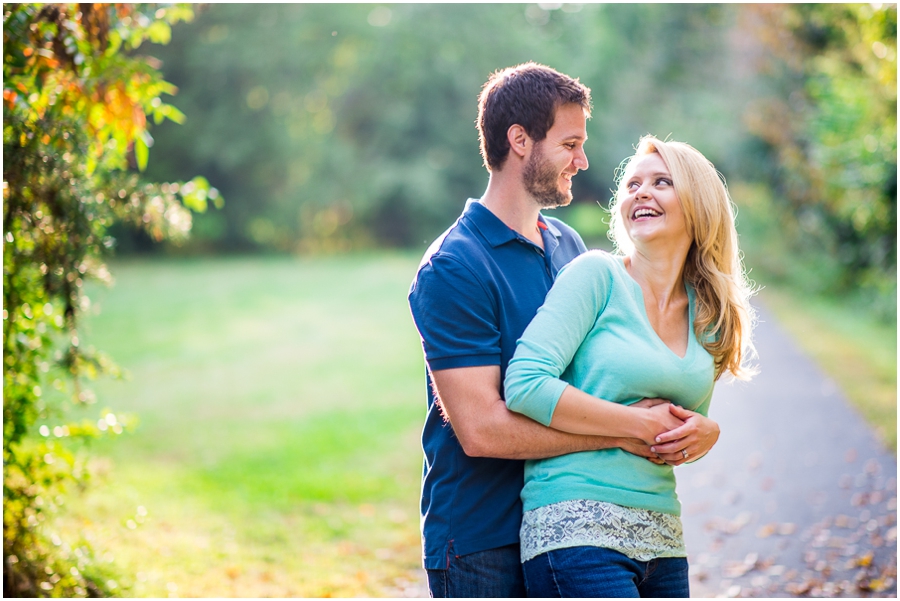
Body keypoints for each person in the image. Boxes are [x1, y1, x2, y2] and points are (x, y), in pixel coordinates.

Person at [408, 64, 722, 598]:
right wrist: (629, 430)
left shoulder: (567, 245)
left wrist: (693, 430)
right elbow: (482, 431)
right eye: (571, 144)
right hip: (481, 535)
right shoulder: (455, 266)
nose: (583, 161)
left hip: (569, 522)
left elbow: (607, 380)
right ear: (520, 140)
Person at [503, 135, 758, 597]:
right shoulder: (596, 275)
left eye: (662, 182)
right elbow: (524, 383)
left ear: (698, 205)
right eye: (633, 184)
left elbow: (673, 429)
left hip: (662, 534)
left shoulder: (710, 316)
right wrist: (636, 424)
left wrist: (705, 433)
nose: (640, 192)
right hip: (573, 525)